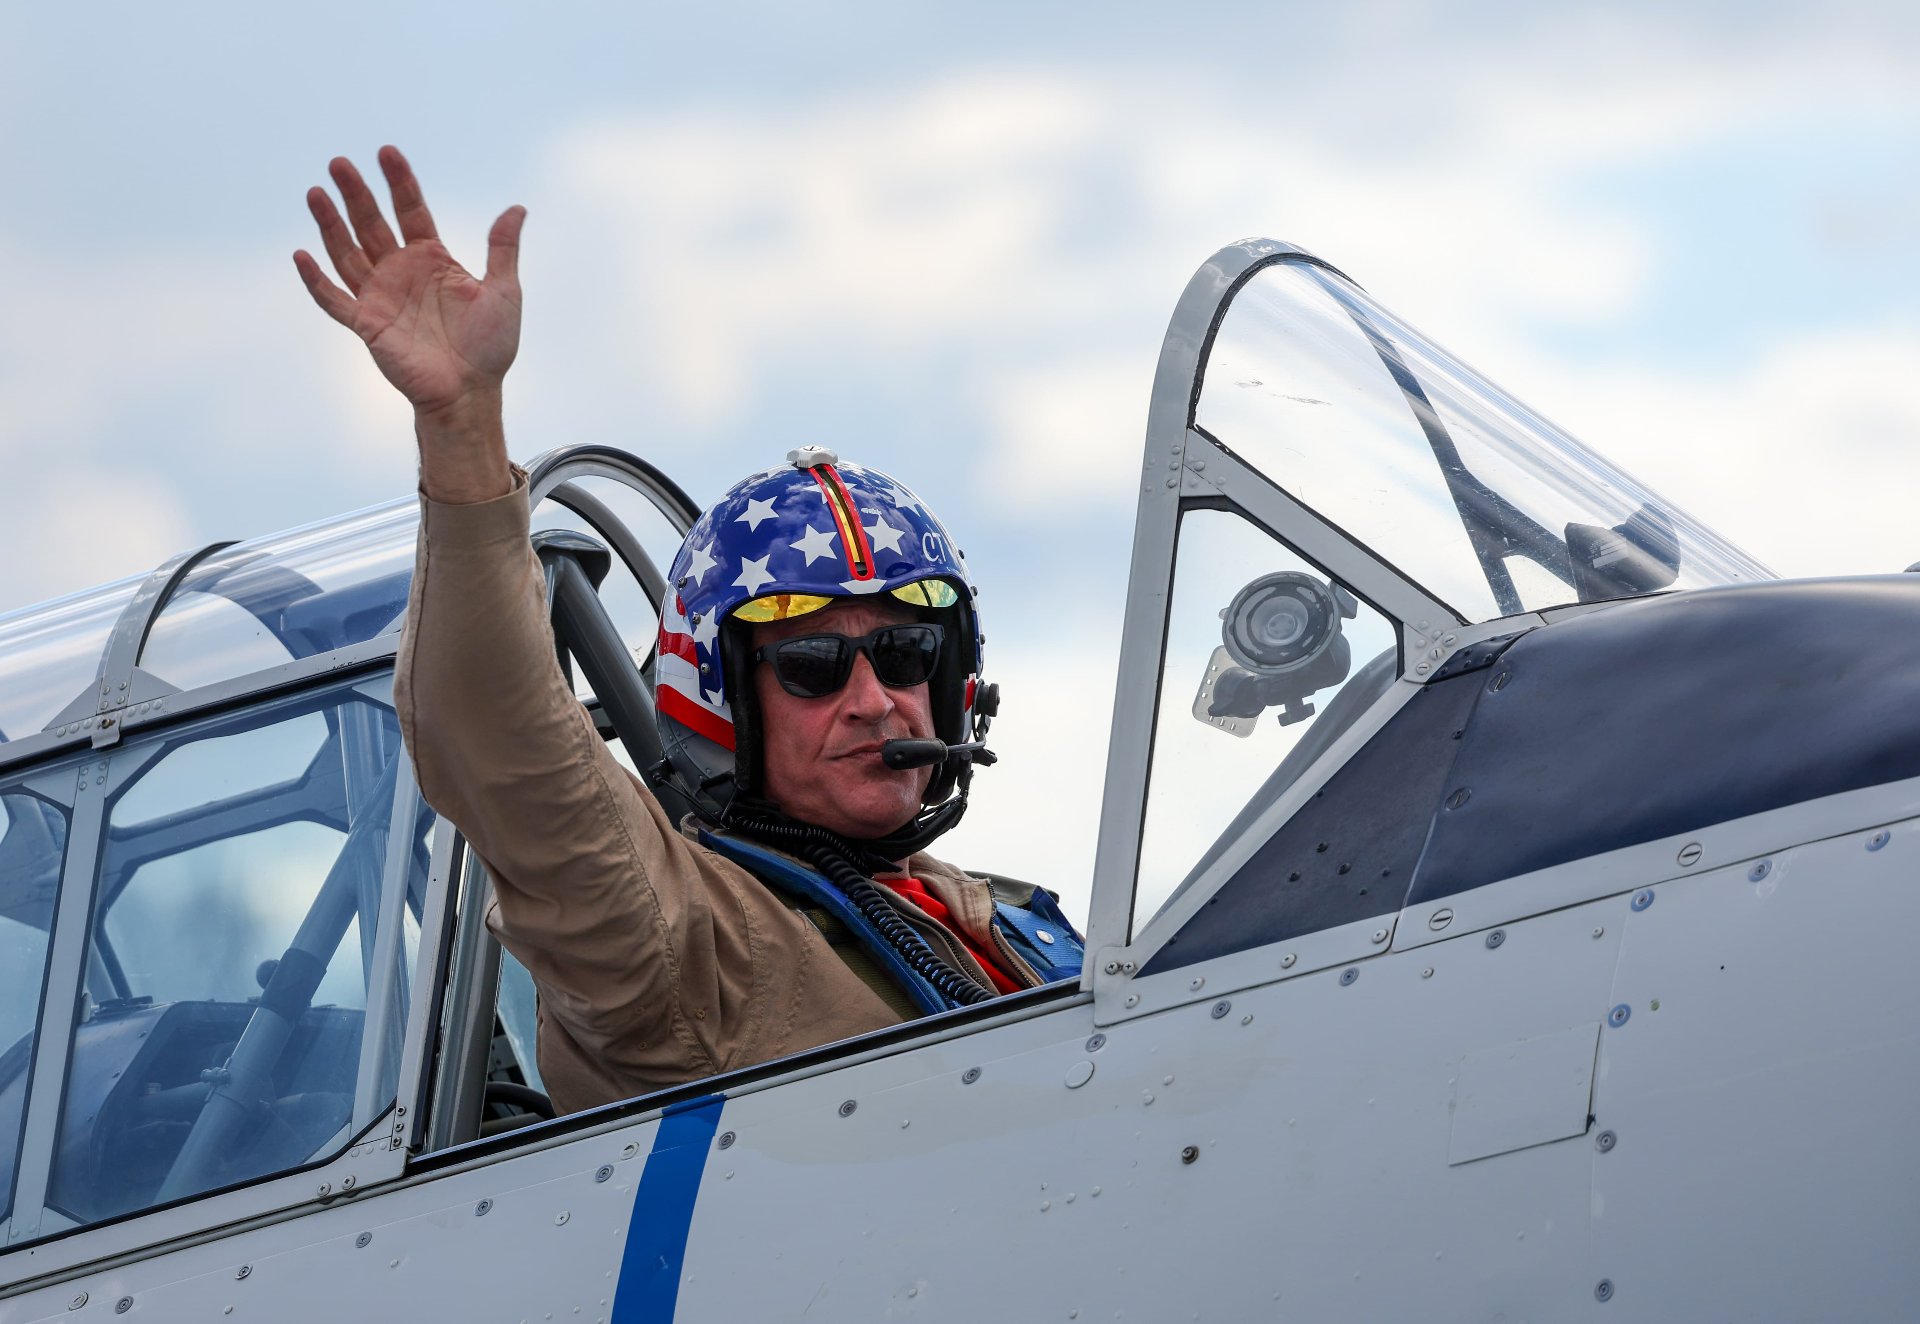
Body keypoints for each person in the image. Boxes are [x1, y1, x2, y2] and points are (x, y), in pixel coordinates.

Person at [295, 147, 1083, 1115]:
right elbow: (510, 756)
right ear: (722, 701)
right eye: (812, 665)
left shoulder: (996, 916)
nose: (874, 698)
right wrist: (463, 429)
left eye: (906, 652)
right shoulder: (693, 952)